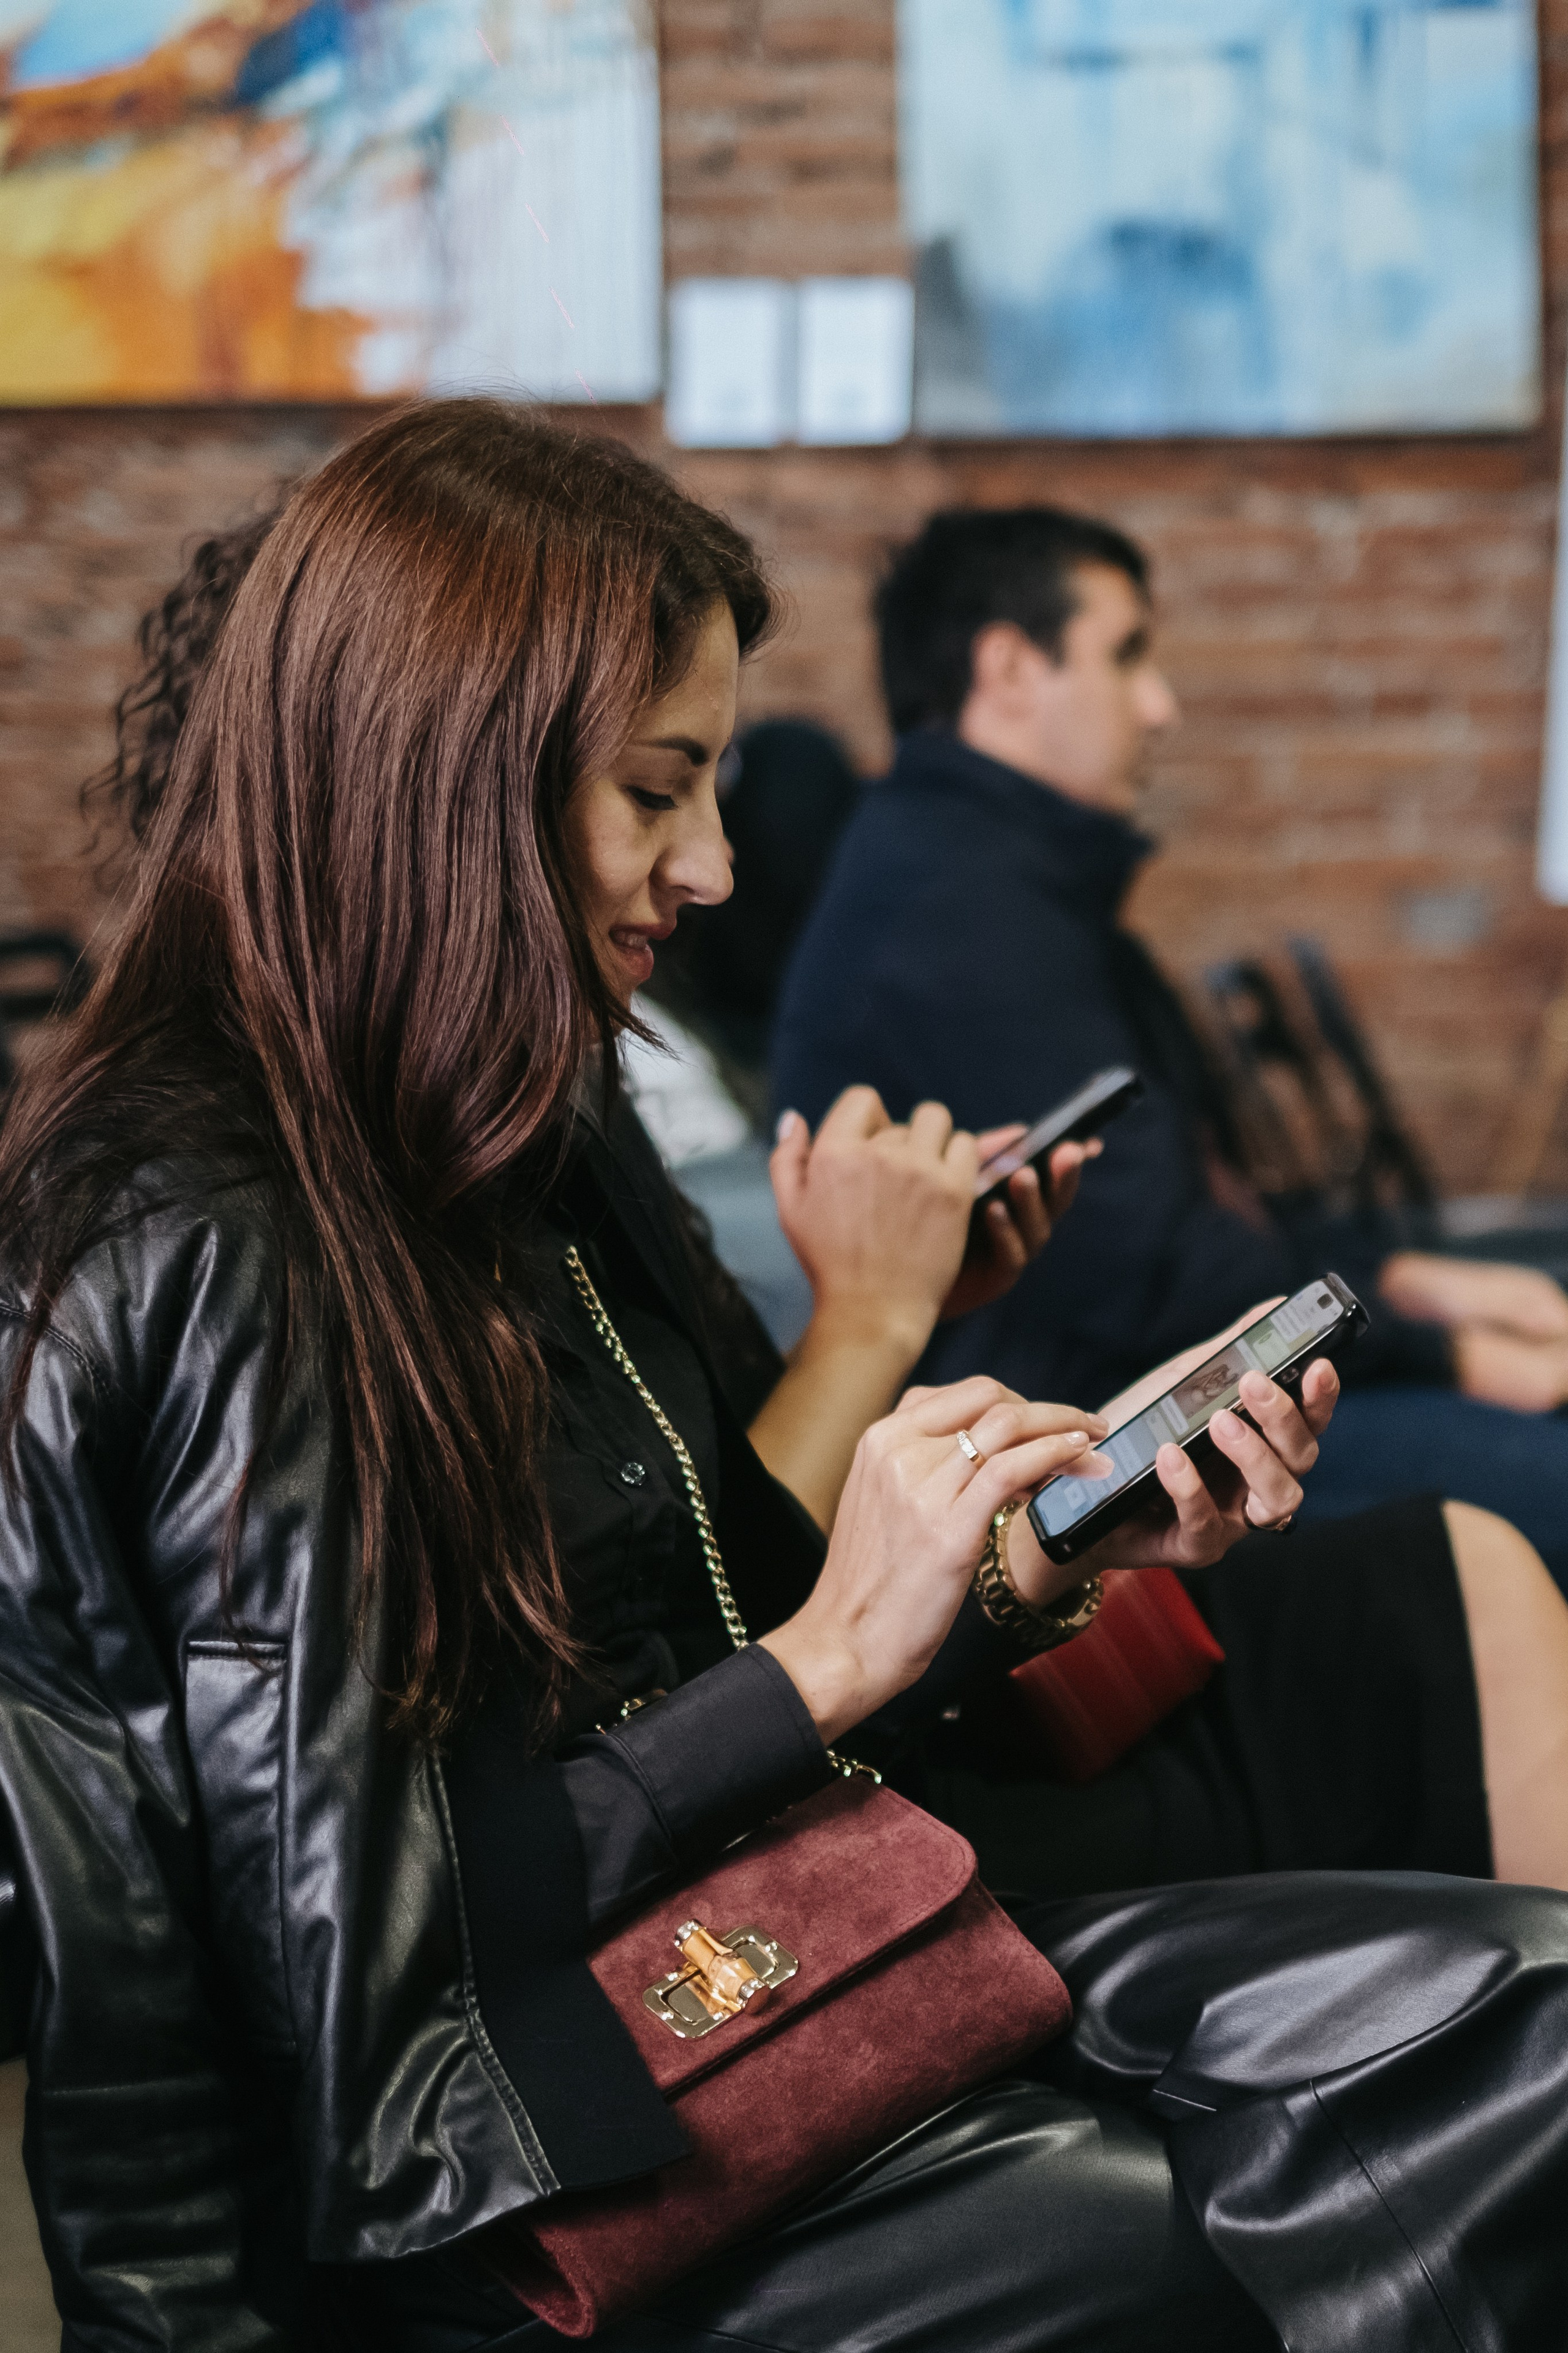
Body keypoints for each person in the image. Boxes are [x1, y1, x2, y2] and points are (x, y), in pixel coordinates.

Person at [2, 399, 1567, 2353]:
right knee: (1470, 2078)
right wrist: (837, 1650)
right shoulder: (211, 1234)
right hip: (501, 2177)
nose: (720, 865)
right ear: (452, 783)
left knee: (1520, 2007)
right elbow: (375, 1960)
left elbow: (690, 1614)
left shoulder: (504, 1119)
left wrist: (1021, 1567)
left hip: (711, 1955)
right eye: (660, 792)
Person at [771, 504, 1568, 1587]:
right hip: (1075, 1454)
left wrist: (1413, 1278)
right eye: (1127, 655)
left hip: (1140, 1386)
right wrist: (1457, 1352)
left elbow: (1186, 1216)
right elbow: (1160, 1276)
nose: (1160, 705)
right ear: (1008, 667)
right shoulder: (958, 916)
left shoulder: (992, 874)